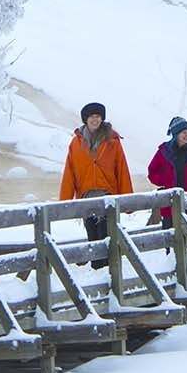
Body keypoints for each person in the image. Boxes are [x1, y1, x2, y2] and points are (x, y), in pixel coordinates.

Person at [58, 101, 132, 267]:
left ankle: (110, 274)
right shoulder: (75, 143)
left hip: (107, 196)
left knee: (107, 238)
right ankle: (97, 272)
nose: (95, 119)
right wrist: (65, 201)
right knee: (93, 238)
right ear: (86, 119)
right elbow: (69, 172)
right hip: (86, 196)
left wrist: (128, 201)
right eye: (92, 116)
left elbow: (122, 169)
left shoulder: (113, 141)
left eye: (98, 116)